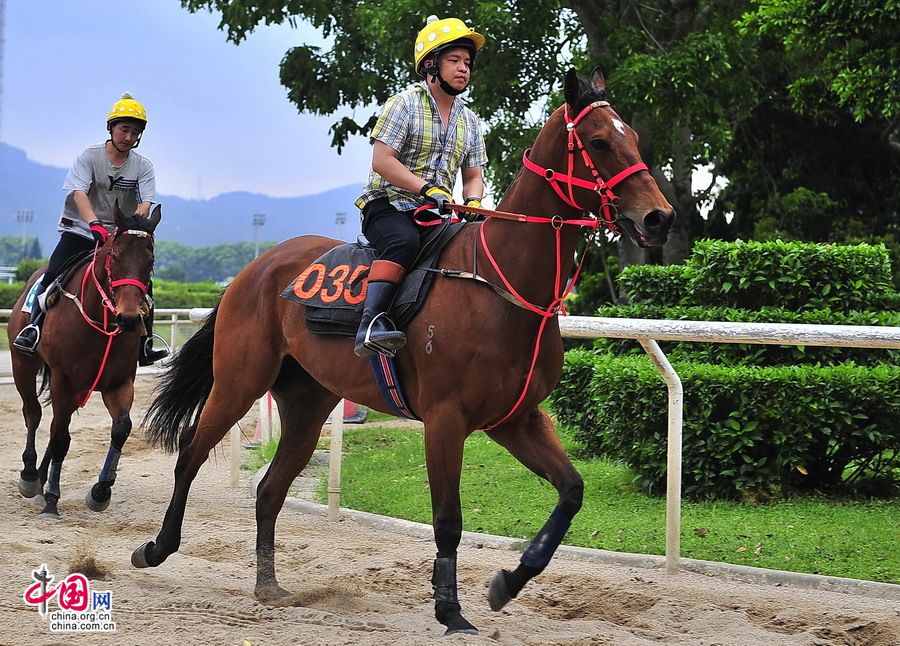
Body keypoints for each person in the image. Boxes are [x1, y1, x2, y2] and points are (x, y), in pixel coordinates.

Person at [353, 15, 487, 358]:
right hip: (388, 206)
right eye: (454, 60)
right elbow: (382, 161)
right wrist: (427, 188)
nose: (463, 69)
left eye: (467, 62)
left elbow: (473, 175)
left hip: (438, 214)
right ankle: (371, 323)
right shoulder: (404, 103)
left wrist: (472, 203)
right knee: (402, 240)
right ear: (431, 65)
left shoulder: (470, 121)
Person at [13, 92, 168, 366]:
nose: (129, 137)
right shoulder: (89, 156)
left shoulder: (144, 166)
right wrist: (94, 224)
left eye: (135, 132)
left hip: (120, 235)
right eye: (124, 129)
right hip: (81, 230)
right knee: (51, 276)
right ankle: (33, 328)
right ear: (111, 128)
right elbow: (78, 193)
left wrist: (133, 225)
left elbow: (146, 202)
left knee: (143, 287)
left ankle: (145, 344)